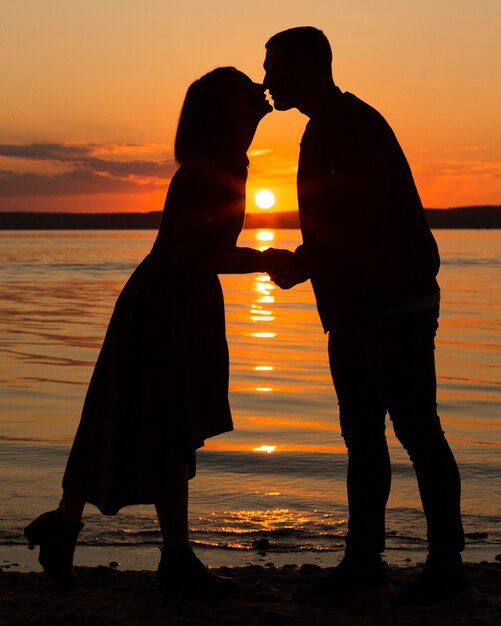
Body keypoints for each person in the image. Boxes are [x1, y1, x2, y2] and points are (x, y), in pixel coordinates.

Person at [24, 67, 272, 597]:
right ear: (225, 110)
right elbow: (200, 252)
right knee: (161, 424)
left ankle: (66, 527)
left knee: (137, 419)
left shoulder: (219, 161)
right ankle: (173, 558)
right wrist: (268, 260)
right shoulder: (217, 166)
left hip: (169, 297)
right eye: (247, 87)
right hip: (169, 302)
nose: (261, 89)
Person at [263, 27, 478, 611]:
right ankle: (364, 563)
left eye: (275, 68)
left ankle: (447, 567)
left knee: (416, 431)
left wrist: (300, 266)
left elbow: (358, 220)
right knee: (363, 436)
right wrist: (312, 271)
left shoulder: (351, 125)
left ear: (310, 64)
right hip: (356, 307)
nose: (267, 80)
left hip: (392, 305)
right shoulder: (326, 126)